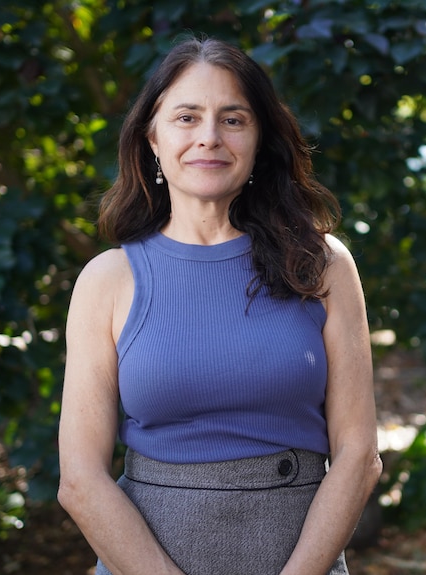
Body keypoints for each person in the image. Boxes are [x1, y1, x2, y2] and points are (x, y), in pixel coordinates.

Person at [57, 35, 382, 575]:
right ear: (152, 139)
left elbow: (358, 457)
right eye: (187, 117)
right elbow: (79, 480)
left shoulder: (321, 266)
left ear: (258, 140)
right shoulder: (106, 281)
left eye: (233, 119)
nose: (209, 137)